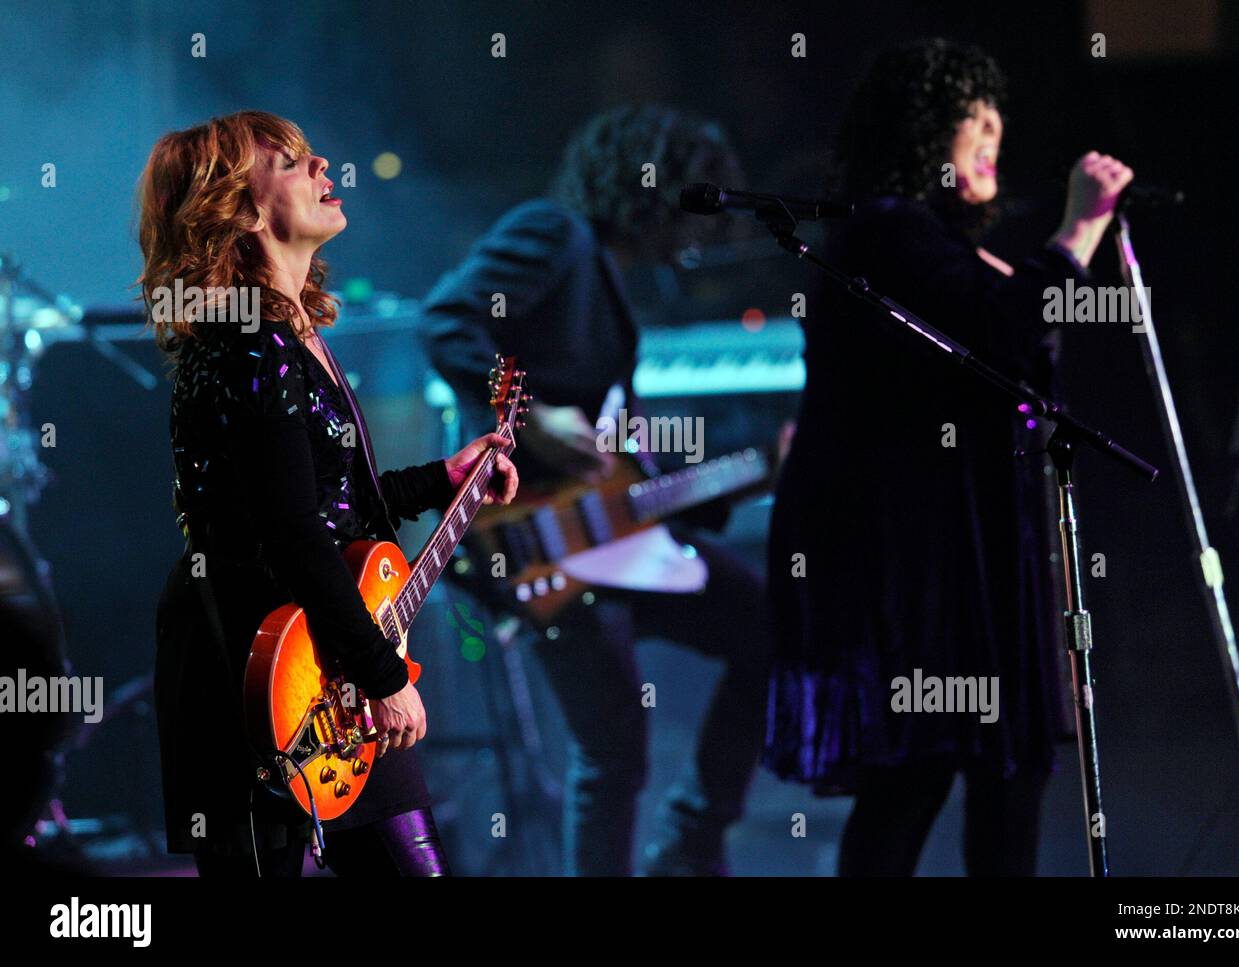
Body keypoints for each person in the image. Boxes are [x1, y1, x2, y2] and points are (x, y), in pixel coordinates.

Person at [765, 39, 1134, 876]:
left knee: (985, 772)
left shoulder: (931, 245)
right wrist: (1078, 230)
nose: (995, 130)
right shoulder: (887, 235)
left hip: (968, 558)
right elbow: (1000, 327)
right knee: (918, 771)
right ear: (926, 134)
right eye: (974, 117)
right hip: (921, 569)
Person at [141, 110, 518, 877]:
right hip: (257, 665)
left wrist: (440, 477)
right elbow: (290, 531)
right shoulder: (249, 340)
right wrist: (383, 673)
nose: (321, 169)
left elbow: (319, 501)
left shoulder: (291, 329)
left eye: (314, 154)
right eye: (289, 162)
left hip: (328, 655)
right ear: (239, 208)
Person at [424, 104, 771, 875]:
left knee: (768, 632)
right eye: (697, 202)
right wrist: (534, 414)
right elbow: (447, 319)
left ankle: (691, 837)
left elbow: (617, 456)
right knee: (613, 754)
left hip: (607, 536)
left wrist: (747, 472)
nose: (700, 233)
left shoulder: (601, 273)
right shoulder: (553, 234)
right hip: (533, 539)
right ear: (657, 188)